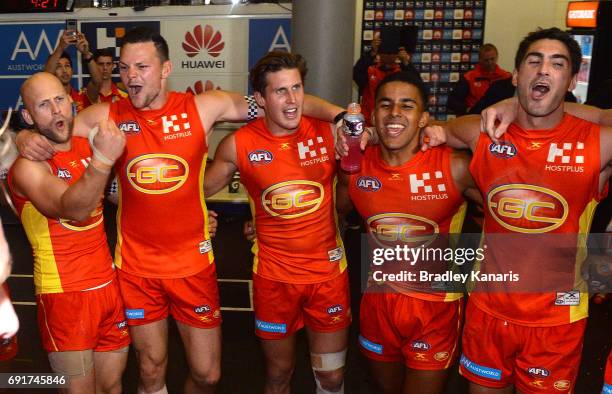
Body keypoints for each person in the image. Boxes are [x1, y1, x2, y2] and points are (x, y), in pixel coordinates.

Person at [16, 27, 342, 394]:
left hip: (193, 266)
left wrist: (340, 116)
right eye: (125, 68)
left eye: (141, 67)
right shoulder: (106, 115)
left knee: (208, 375)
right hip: (137, 270)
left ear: (166, 68)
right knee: (151, 371)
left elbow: (279, 101)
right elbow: (53, 127)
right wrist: (21, 137)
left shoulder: (202, 107)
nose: (131, 77)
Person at [422, 27, 611, 393]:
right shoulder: (484, 133)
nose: (543, 70)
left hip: (557, 319)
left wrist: (519, 103)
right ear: (516, 73)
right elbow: (443, 131)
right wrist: (514, 105)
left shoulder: (595, 143)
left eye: (557, 65)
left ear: (572, 79)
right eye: (534, 61)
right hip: (488, 309)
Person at [204, 51, 350, 394]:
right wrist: (199, 216)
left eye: (297, 88)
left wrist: (350, 129)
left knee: (331, 376)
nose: (292, 100)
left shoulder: (329, 134)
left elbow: (359, 176)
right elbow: (198, 189)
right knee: (278, 375)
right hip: (274, 279)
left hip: (327, 275)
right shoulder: (239, 144)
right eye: (280, 91)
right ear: (260, 99)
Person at [336, 71, 480, 394]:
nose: (395, 113)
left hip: (436, 307)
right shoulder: (356, 167)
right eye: (385, 105)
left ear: (423, 119)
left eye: (407, 106)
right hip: (377, 302)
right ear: (373, 116)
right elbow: (334, 212)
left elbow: (503, 205)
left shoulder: (455, 167)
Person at [8, 72, 128, 393]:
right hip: (65, 295)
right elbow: (72, 209)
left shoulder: (84, 139)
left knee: (112, 386)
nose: (57, 110)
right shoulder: (27, 168)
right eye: (44, 106)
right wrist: (103, 160)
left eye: (60, 99)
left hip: (107, 286)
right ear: (28, 116)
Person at [358, 27, 419, 126]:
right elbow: (357, 72)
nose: (388, 55)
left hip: (394, 122)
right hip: (369, 123)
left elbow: (417, 84)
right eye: (385, 52)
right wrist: (372, 52)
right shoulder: (370, 71)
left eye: (392, 52)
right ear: (380, 53)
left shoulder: (403, 73)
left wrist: (406, 62)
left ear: (397, 54)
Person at [45, 29, 103, 112]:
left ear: (72, 71)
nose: (64, 70)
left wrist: (86, 54)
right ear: (53, 70)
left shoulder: (83, 96)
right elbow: (46, 77)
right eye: (59, 66)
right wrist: (60, 47)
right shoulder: (48, 100)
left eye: (67, 66)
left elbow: (97, 81)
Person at [447, 43, 511, 115]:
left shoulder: (505, 76)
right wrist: (466, 109)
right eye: (486, 60)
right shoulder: (469, 77)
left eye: (492, 59)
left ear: (497, 57)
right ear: (480, 60)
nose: (490, 63)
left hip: (499, 118)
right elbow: (451, 101)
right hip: (475, 119)